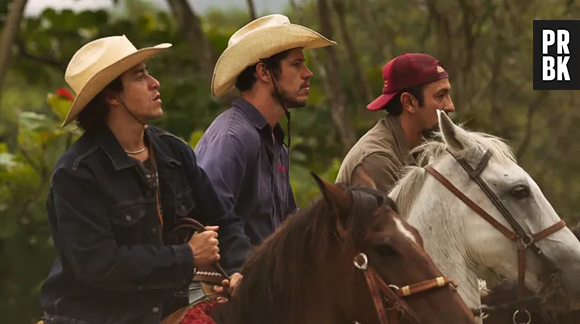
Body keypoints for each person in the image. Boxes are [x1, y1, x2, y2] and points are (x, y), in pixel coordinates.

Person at [39, 35, 250, 324]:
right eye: (139, 77)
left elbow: (224, 221)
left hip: (168, 312)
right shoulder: (76, 173)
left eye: (148, 72)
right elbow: (100, 265)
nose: (155, 83)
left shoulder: (173, 153)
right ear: (111, 96)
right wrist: (187, 256)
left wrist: (239, 270)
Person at [194, 14, 336, 247]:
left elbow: (287, 222)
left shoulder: (273, 139)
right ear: (264, 72)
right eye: (296, 64)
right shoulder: (233, 137)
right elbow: (207, 221)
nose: (307, 73)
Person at [336, 52, 455, 194]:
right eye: (440, 96)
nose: (450, 106)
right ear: (409, 102)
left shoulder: (422, 146)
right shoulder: (376, 161)